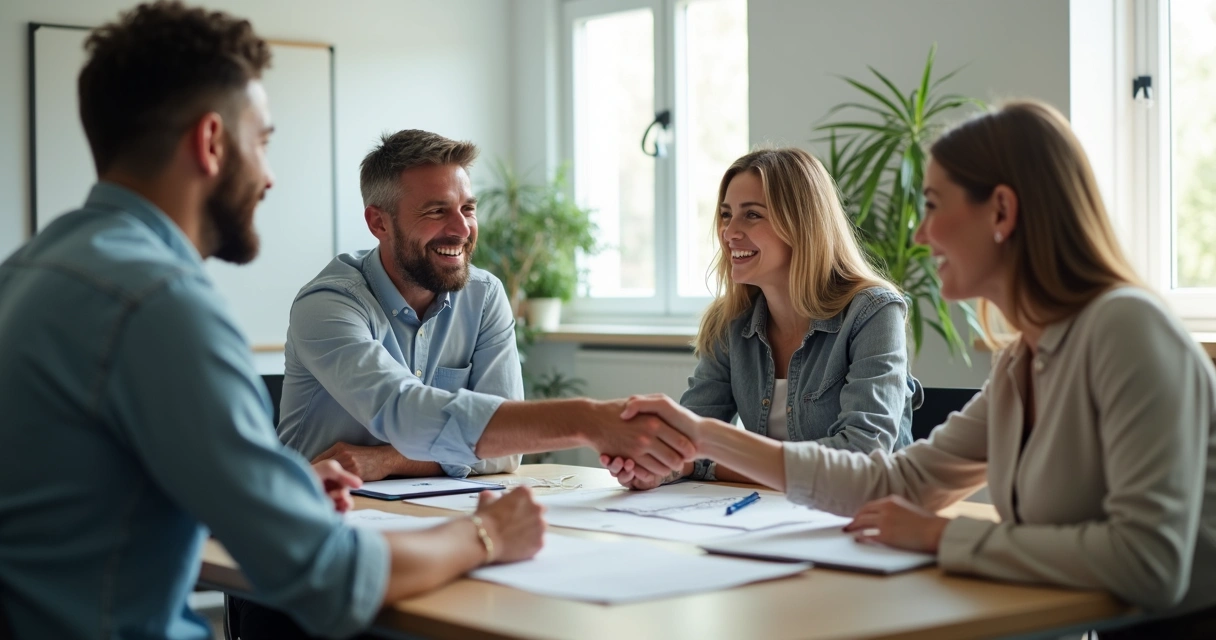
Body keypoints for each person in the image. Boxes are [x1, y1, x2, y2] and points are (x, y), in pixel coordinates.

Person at [0, 4, 548, 639]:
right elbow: (330, 579)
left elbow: (89, 502)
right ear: (211, 143)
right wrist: (486, 532)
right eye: (262, 142)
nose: (269, 175)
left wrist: (279, 484)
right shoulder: (161, 305)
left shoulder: (30, 274)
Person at [609, 100, 1216, 637]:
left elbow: (1150, 565)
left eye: (932, 206)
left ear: (1001, 212)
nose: (921, 235)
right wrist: (701, 433)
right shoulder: (1024, 361)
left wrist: (943, 536)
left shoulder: (1126, 328)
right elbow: (894, 481)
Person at [276, 129, 696, 482]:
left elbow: (505, 454)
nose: (461, 229)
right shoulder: (329, 305)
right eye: (437, 211)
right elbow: (404, 411)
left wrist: (385, 461)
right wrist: (587, 419)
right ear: (379, 223)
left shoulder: (483, 295)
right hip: (304, 525)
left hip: (424, 517)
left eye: (468, 209)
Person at [604, 147, 921, 489]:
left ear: (801, 224)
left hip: (866, 522)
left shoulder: (873, 313)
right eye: (726, 215)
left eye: (752, 215)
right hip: (765, 518)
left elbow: (860, 458)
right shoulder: (729, 323)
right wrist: (655, 466)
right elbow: (688, 441)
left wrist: (709, 463)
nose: (729, 232)